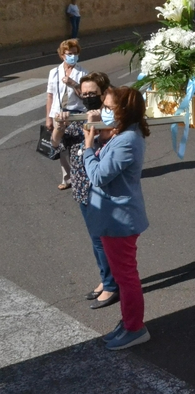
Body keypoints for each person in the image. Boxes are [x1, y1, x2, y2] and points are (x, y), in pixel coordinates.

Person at [82, 86, 151, 350]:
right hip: (113, 218)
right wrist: (99, 140)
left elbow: (98, 176)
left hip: (120, 220)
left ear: (124, 110)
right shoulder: (121, 134)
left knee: (126, 278)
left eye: (109, 108)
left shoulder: (127, 140)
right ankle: (128, 322)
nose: (105, 112)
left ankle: (135, 328)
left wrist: (88, 148)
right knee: (123, 276)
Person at [51, 73, 116, 308]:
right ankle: (106, 279)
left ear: (103, 93)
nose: (88, 97)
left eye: (93, 93)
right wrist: (59, 127)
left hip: (103, 189)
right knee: (96, 240)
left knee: (105, 240)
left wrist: (99, 123)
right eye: (84, 93)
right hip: (82, 188)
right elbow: (53, 146)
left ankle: (111, 285)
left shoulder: (112, 117)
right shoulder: (77, 118)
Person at [46, 39, 87, 191]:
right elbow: (50, 96)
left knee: (77, 146)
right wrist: (48, 118)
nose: (73, 56)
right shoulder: (54, 72)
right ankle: (67, 178)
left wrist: (74, 84)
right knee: (62, 147)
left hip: (76, 113)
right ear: (62, 55)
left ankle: (81, 175)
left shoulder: (83, 72)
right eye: (70, 54)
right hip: (58, 113)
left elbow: (86, 96)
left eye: (75, 53)